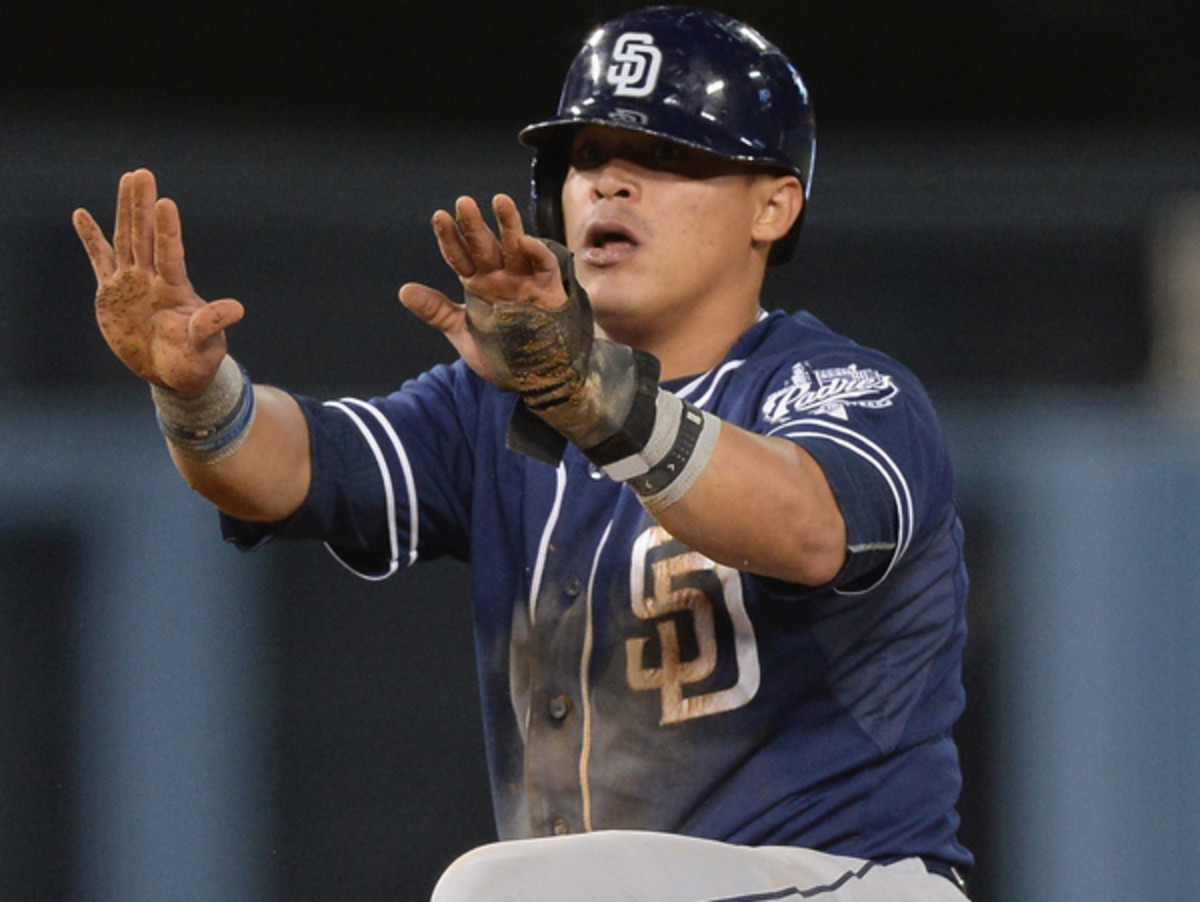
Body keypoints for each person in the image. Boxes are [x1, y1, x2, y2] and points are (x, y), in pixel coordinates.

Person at [73, 7, 973, 900]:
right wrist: (198, 392)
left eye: (663, 157)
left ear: (774, 205)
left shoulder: (841, 388)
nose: (610, 184)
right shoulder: (498, 402)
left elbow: (809, 528)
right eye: (587, 157)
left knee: (498, 892)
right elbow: (298, 468)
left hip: (846, 880)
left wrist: (594, 395)